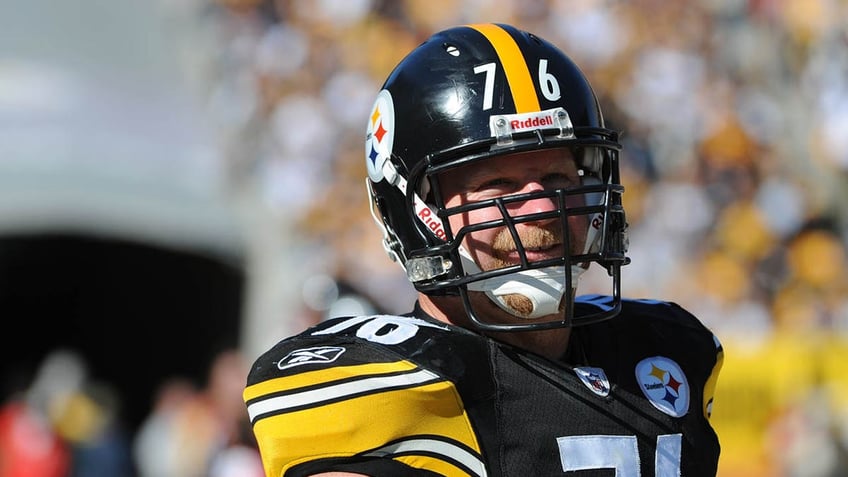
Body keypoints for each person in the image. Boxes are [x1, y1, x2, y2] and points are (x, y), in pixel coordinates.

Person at [244, 23, 724, 476]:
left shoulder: (666, 349)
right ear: (415, 213)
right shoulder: (387, 387)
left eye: (559, 178)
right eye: (499, 186)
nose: (541, 207)